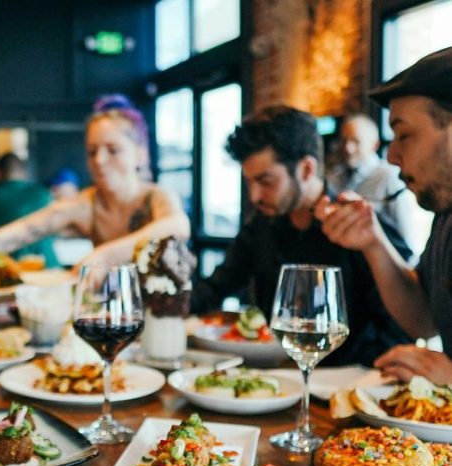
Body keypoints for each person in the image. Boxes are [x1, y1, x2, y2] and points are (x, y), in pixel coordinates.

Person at [190, 105, 413, 367]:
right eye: (249, 182)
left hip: (345, 381)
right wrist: (167, 300)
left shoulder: (358, 226)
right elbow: (215, 288)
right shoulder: (261, 225)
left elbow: (402, 329)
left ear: (306, 169)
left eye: (266, 181)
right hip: (274, 376)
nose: (254, 196)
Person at [0, 94, 190, 279]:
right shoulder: (86, 204)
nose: (99, 160)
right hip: (115, 316)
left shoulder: (156, 197)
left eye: (113, 150)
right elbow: (22, 230)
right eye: (92, 151)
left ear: (140, 155)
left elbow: (177, 226)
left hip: (166, 318)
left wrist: (104, 255)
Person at [316, 46, 452, 383]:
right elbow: (423, 318)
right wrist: (373, 242)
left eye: (404, 135)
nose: (391, 156)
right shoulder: (446, 218)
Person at [327, 113, 430, 257]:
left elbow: (406, 237)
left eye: (356, 141)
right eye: (344, 141)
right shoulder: (334, 176)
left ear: (374, 144)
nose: (348, 148)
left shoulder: (390, 177)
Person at [0, 152, 60, 267]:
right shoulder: (44, 194)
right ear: (24, 172)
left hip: (6, 270)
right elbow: (56, 232)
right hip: (49, 268)